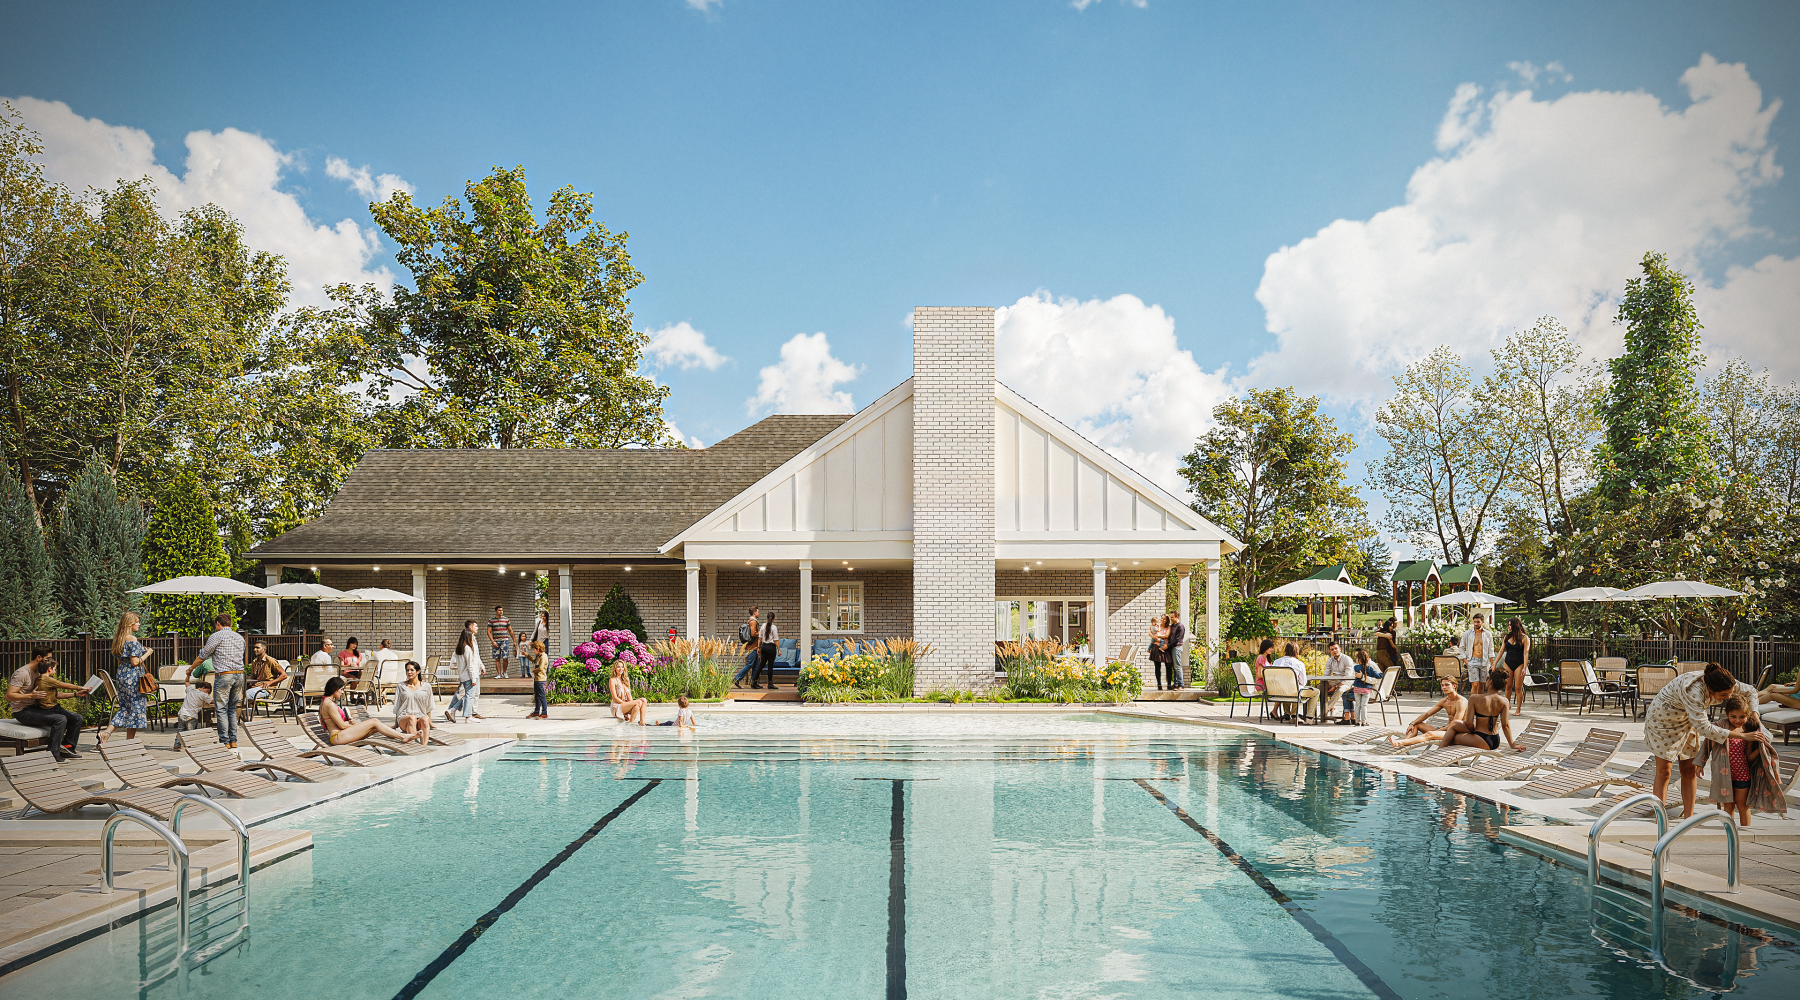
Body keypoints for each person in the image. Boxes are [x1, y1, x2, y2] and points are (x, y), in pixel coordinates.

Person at [1644, 662, 1767, 819]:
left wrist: (1755, 713)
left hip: (1688, 720)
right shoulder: (1694, 692)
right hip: (1663, 720)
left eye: (1730, 693)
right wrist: (1742, 735)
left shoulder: (1725, 683)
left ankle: (1688, 819)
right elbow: (1704, 728)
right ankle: (1659, 819)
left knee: (1689, 770)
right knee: (1664, 772)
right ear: (1710, 689)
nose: (1728, 698)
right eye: (1723, 695)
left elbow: (1751, 691)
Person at [1706, 698, 1786, 826]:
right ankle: (1730, 833)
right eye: (1733, 716)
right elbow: (1707, 742)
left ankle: (1745, 833)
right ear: (1727, 714)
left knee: (1743, 805)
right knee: (1729, 806)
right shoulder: (1721, 729)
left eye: (1742, 716)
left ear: (1747, 716)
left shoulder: (1748, 732)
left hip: (1742, 775)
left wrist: (1760, 749)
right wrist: (1700, 764)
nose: (1737, 720)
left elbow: (1747, 757)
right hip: (1724, 776)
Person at [7, 649, 86, 760]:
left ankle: (67, 747)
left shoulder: (40, 674)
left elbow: (53, 694)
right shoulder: (22, 673)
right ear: (39, 658)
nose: (50, 661)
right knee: (60, 719)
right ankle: (52, 754)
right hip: (22, 711)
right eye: (48, 658)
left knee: (76, 718)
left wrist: (75, 694)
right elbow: (9, 696)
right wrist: (31, 696)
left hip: (36, 708)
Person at [192, 614, 247, 748]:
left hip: (224, 675)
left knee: (221, 709)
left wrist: (191, 668)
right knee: (232, 708)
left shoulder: (216, 636)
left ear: (218, 623)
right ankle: (233, 741)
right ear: (230, 624)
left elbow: (203, 656)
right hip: (240, 675)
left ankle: (225, 741)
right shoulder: (240, 638)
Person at [320, 676, 423, 746]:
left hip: (341, 734)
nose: (342, 692)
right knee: (373, 721)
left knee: (375, 727)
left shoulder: (327, 702)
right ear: (334, 689)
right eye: (341, 689)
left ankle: (399, 739)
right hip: (337, 737)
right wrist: (356, 727)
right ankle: (403, 736)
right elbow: (342, 726)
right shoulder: (329, 704)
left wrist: (353, 724)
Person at [1436, 665, 1518, 752]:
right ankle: (1444, 754)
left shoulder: (1475, 698)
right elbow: (1505, 725)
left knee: (1451, 737)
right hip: (1496, 740)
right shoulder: (1504, 701)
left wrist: (1472, 732)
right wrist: (1512, 745)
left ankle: (1437, 753)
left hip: (1482, 739)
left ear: (1490, 682)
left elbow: (1469, 723)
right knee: (1455, 723)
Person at [99, 612, 150, 745]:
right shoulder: (132, 639)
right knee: (135, 708)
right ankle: (129, 742)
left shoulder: (119, 639)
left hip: (122, 675)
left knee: (125, 708)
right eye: (137, 622)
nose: (139, 624)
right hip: (133, 678)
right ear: (129, 623)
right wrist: (148, 653)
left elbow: (120, 661)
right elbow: (134, 662)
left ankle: (106, 733)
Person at [1385, 677, 1467, 749]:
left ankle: (1400, 743)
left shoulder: (1461, 702)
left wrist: (1441, 729)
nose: (1444, 687)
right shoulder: (1444, 701)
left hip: (1456, 733)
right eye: (1442, 685)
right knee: (1417, 725)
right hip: (1445, 730)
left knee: (1429, 734)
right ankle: (1404, 742)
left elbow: (1455, 723)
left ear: (1454, 686)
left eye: (1447, 685)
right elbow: (1427, 714)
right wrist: (1412, 723)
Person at [445, 621, 485, 723]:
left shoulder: (460, 647)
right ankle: (466, 715)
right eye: (475, 626)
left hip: (465, 675)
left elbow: (476, 658)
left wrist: (481, 666)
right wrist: (473, 678)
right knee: (466, 695)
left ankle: (453, 710)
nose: (477, 628)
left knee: (468, 695)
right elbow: (470, 665)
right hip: (470, 675)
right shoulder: (467, 648)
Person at [1271, 643, 1317, 722]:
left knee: (1286, 686)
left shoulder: (1276, 662)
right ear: (1296, 651)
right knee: (1316, 692)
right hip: (1293, 692)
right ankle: (1308, 717)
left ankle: (1288, 714)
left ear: (1285, 650)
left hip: (1279, 692)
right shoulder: (1299, 664)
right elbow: (1303, 682)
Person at [391, 661, 435, 744]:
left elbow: (429, 706)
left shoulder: (426, 686)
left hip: (420, 717)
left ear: (418, 671)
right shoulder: (401, 686)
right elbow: (397, 705)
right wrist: (396, 725)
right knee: (412, 718)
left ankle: (423, 747)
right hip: (404, 718)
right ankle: (413, 746)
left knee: (425, 719)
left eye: (411, 670)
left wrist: (430, 723)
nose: (409, 672)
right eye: (407, 670)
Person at [1345, 649, 1384, 726]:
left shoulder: (1355, 667)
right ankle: (1363, 722)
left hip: (1357, 689)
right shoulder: (1370, 668)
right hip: (1366, 690)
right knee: (1364, 706)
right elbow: (1380, 676)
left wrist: (1362, 676)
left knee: (1357, 705)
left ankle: (1356, 721)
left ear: (1358, 660)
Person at [1319, 641, 1355, 724]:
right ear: (1330, 651)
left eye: (1336, 648)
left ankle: (1326, 709)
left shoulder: (1347, 659)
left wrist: (1335, 686)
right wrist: (1328, 684)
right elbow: (1326, 675)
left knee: (1340, 689)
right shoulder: (1330, 661)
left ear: (1340, 649)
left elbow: (1347, 677)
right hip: (1335, 680)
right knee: (1320, 687)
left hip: (1347, 682)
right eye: (1332, 649)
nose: (1334, 650)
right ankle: (1332, 709)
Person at [1500, 619, 1531, 714]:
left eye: (1510, 625)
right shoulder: (1507, 637)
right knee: (1508, 686)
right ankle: (1506, 706)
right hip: (1508, 663)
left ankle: (1518, 709)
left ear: (1515, 625)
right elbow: (1501, 651)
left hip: (1519, 664)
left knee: (1518, 688)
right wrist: (1494, 663)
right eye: (1508, 625)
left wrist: (1524, 668)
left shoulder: (1524, 637)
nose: (1508, 627)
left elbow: (1526, 653)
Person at [1457, 614, 1493, 695]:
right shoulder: (1467, 634)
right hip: (1472, 661)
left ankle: (1479, 704)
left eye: (1478, 622)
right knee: (1475, 684)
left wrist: (1492, 664)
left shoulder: (1488, 634)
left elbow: (1491, 650)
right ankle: (1472, 704)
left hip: (1484, 661)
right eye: (1474, 622)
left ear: (1482, 622)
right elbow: (1461, 648)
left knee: (1481, 685)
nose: (1476, 624)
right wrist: (1466, 661)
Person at [734, 607, 761, 688]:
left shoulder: (750, 621)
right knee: (749, 664)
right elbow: (753, 634)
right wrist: (761, 633)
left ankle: (754, 683)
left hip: (754, 647)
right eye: (758, 612)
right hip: (752, 647)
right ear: (754, 613)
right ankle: (737, 679)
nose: (759, 613)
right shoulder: (753, 622)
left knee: (756, 665)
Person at [756, 611, 780, 690]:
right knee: (770, 666)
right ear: (774, 619)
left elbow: (759, 638)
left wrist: (758, 648)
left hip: (764, 647)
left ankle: (754, 681)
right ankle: (770, 683)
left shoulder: (763, 625)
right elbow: (776, 640)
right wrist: (779, 650)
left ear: (767, 618)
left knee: (761, 664)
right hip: (771, 647)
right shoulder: (774, 627)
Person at [526, 640, 550, 719]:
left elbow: (540, 668)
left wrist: (533, 670)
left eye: (534, 649)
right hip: (536, 679)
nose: (533, 651)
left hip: (541, 679)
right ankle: (536, 711)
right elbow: (533, 660)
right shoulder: (538, 656)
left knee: (542, 696)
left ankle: (544, 713)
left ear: (538, 649)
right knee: (537, 696)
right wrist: (526, 655)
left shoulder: (543, 656)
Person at [1148, 615, 1172, 690]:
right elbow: (1150, 633)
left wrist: (1158, 637)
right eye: (1162, 618)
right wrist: (1155, 637)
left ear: (1167, 620)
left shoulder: (1169, 627)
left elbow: (1167, 636)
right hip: (1156, 647)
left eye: (1164, 619)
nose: (1162, 620)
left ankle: (1169, 685)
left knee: (1168, 666)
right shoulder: (1156, 626)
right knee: (1157, 666)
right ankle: (1159, 684)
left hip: (1165, 647)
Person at [489, 605, 514, 678]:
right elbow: (488, 632)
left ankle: (505, 672)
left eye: (502, 610)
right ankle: (499, 674)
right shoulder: (491, 620)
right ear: (496, 611)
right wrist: (493, 641)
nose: (501, 612)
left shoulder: (506, 620)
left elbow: (510, 630)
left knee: (505, 658)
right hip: (496, 641)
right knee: (497, 658)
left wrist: (514, 640)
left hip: (504, 641)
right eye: (499, 610)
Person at [1166, 612, 1188, 689]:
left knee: (1177, 666)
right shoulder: (1172, 626)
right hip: (1171, 648)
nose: (1171, 619)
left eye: (1172, 617)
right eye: (1170, 617)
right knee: (1174, 667)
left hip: (1177, 648)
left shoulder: (1180, 627)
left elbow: (1177, 639)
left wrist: (1167, 646)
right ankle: (1176, 684)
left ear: (1177, 616)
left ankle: (1181, 685)